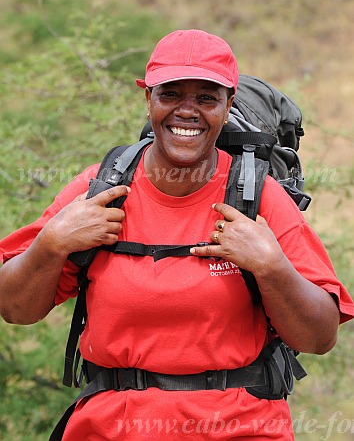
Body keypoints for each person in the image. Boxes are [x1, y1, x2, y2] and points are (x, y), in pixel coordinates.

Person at [0, 29, 353, 440]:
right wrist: (51, 243)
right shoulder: (99, 190)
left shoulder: (259, 197)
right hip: (111, 429)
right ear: (147, 98)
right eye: (170, 94)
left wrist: (272, 267)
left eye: (206, 98)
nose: (188, 111)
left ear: (227, 105)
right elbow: (15, 309)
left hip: (240, 428)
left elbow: (319, 336)